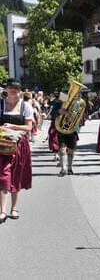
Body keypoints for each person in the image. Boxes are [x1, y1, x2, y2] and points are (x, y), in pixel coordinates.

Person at [0, 78, 33, 223]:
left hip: (19, 144)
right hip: (2, 144)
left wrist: (13, 127)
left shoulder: (25, 106)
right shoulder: (0, 104)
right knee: (3, 175)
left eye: (15, 88)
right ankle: (2, 210)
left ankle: (14, 208)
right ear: (6, 89)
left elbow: (29, 128)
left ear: (19, 91)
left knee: (16, 175)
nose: (13, 90)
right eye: (10, 87)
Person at [56, 86, 84, 177]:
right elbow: (54, 112)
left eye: (76, 92)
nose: (74, 94)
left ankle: (69, 168)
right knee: (62, 148)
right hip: (62, 128)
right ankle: (63, 169)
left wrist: (68, 114)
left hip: (72, 129)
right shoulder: (61, 101)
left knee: (71, 149)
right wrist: (59, 111)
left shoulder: (78, 103)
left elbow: (79, 116)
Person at [47, 91, 62, 161]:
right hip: (57, 121)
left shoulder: (58, 102)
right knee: (55, 138)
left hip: (58, 121)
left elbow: (49, 103)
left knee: (55, 137)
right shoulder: (60, 101)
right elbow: (49, 103)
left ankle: (57, 154)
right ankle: (57, 154)